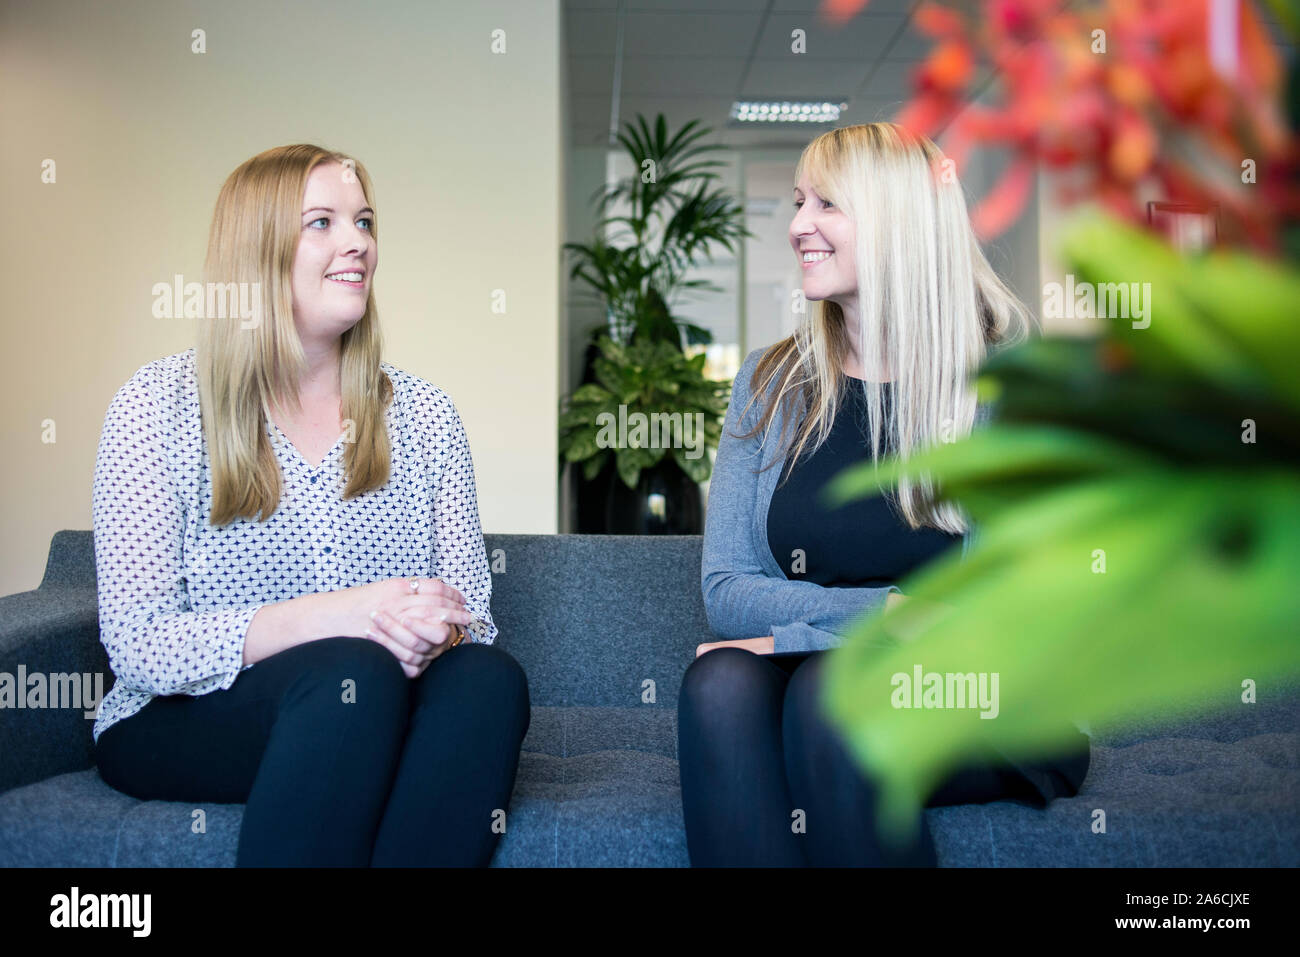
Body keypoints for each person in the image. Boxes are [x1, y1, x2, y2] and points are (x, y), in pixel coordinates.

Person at [91, 144, 530, 867]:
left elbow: (474, 617)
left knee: (489, 679)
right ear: (257, 249)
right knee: (348, 673)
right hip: (190, 715)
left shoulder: (426, 415)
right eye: (321, 222)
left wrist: (432, 632)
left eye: (363, 220)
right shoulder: (157, 405)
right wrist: (347, 616)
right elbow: (140, 643)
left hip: (380, 703)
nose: (357, 241)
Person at [678, 123, 1090, 866]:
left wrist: (801, 636)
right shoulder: (770, 385)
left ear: (900, 219)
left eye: (826, 204)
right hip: (820, 684)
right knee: (719, 681)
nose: (798, 225)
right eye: (799, 201)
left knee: (825, 698)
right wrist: (887, 612)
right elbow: (727, 590)